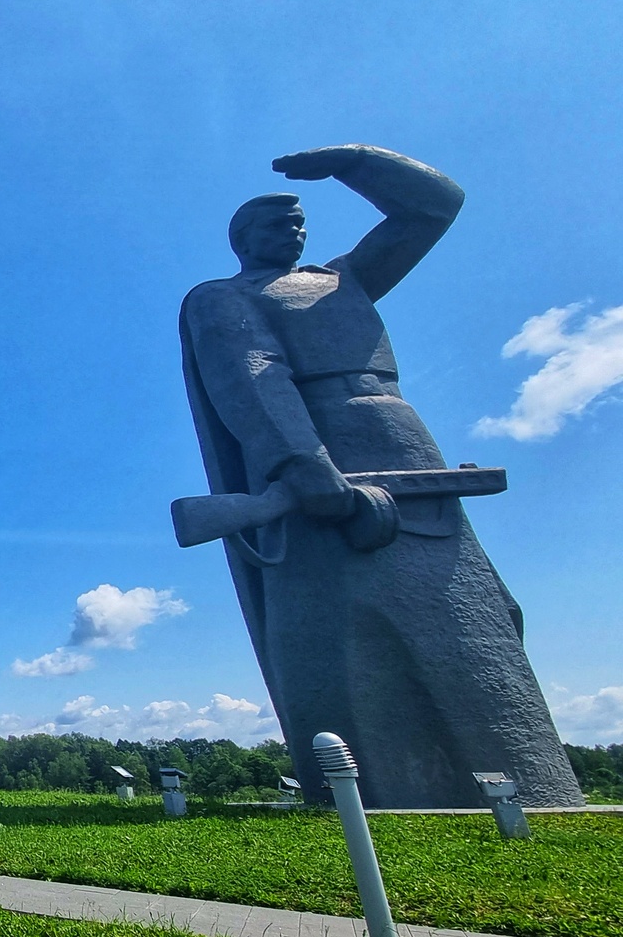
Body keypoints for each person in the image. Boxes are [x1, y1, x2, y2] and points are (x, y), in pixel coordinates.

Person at [181, 145, 580, 808]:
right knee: (342, 630)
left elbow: (434, 207)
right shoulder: (223, 297)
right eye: (278, 226)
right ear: (245, 239)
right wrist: (307, 469)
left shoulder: (344, 280)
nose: (296, 233)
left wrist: (358, 163)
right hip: (320, 461)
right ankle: (380, 779)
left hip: (404, 446)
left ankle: (520, 780)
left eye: (300, 223)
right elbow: (252, 375)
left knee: (479, 614)